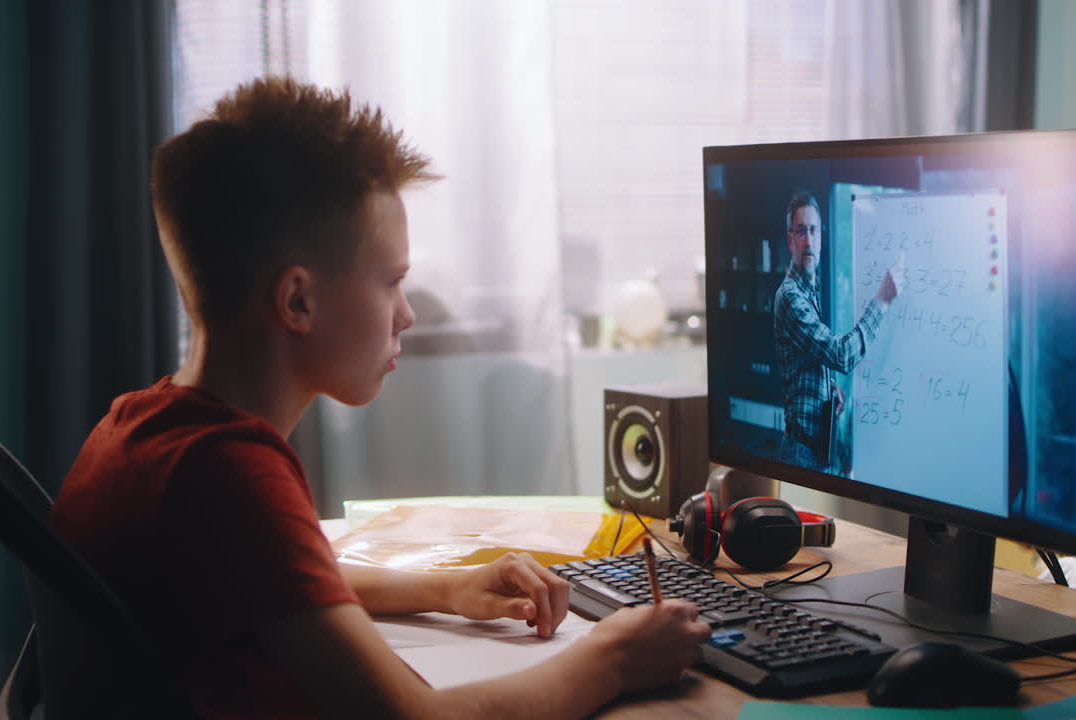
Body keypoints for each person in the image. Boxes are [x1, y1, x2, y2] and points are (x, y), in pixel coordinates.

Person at [50, 76, 710, 720]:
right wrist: (614, 659)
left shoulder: (143, 424)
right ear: (298, 300)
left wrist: (448, 588)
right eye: (392, 281)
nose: (407, 315)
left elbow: (281, 587)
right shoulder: (228, 474)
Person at [773, 190, 901, 472]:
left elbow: (807, 360)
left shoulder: (810, 291)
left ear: (821, 238)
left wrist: (827, 390)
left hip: (815, 448)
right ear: (790, 239)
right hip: (802, 454)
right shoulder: (791, 297)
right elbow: (841, 355)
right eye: (802, 231)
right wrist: (881, 301)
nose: (809, 240)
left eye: (814, 231)